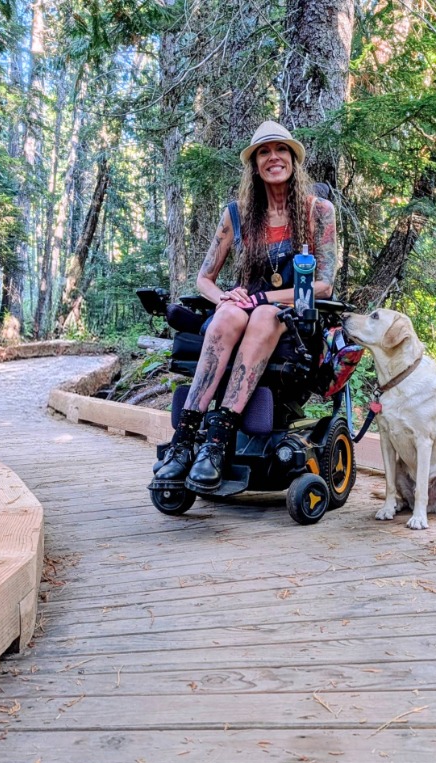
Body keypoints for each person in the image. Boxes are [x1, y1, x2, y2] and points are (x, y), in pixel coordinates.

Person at [152, 120, 338, 493]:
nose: (273, 158)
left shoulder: (318, 211)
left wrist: (265, 298)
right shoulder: (236, 214)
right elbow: (203, 278)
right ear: (254, 165)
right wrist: (223, 296)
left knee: (266, 313)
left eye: (280, 150)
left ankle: (217, 441)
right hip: (244, 308)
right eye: (264, 152)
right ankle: (185, 442)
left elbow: (324, 283)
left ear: (293, 159)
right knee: (227, 314)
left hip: (292, 314)